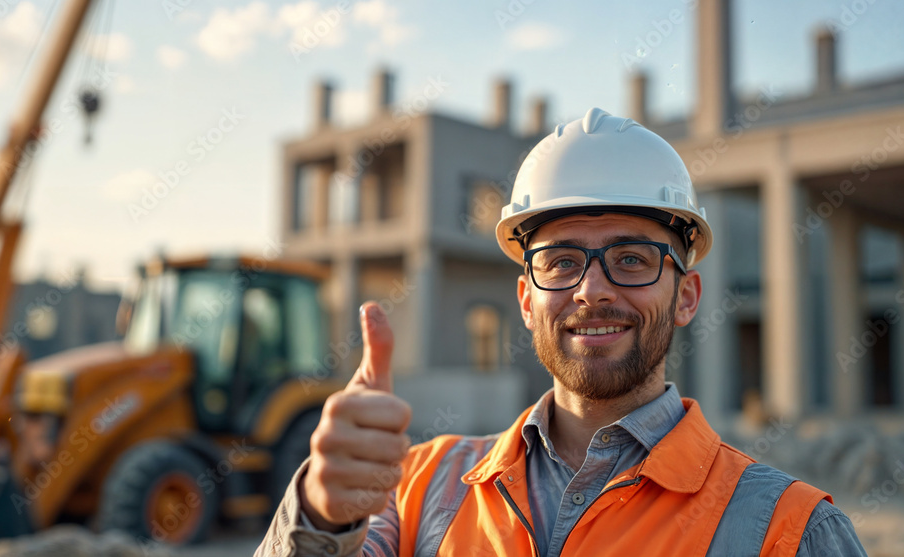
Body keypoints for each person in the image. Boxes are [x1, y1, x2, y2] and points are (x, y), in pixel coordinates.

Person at [254, 108, 866, 556]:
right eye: (561, 262)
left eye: (631, 259)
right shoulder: (418, 489)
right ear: (525, 299)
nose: (591, 290)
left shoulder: (790, 529)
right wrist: (320, 513)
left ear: (685, 296)